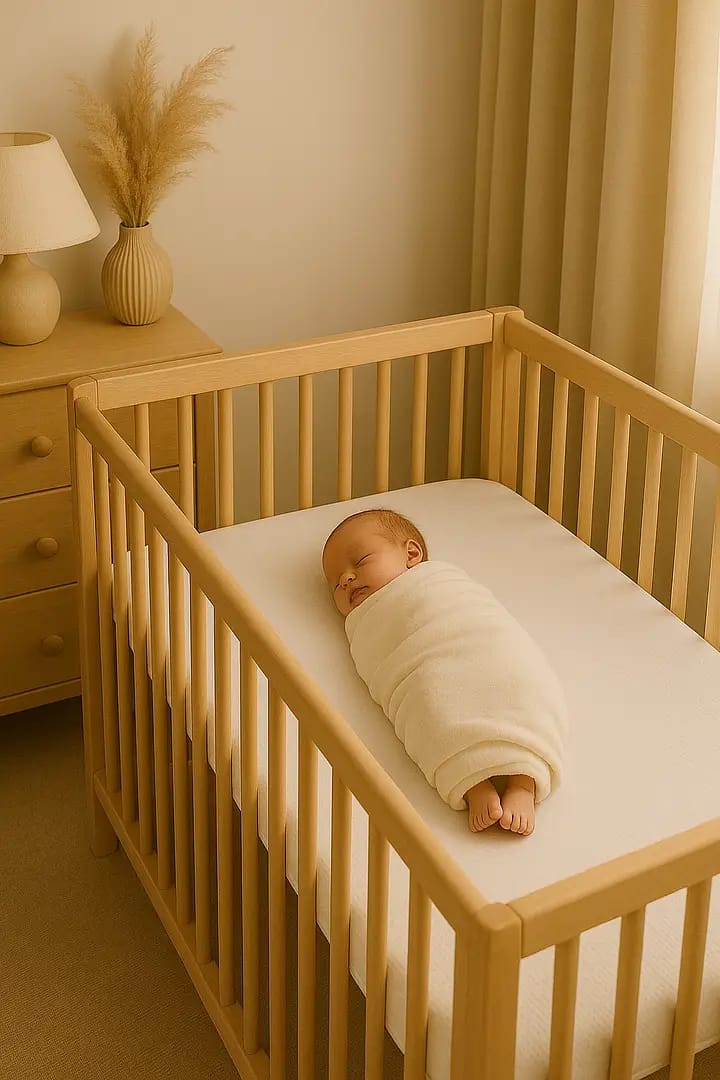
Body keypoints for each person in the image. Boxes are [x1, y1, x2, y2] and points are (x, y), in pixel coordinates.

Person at [322, 508, 566, 837]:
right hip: (426, 669)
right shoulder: (365, 626)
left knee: (523, 687)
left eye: (361, 560)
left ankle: (523, 783)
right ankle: (474, 785)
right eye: (336, 582)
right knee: (432, 709)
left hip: (489, 648)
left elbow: (486, 619)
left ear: (411, 554)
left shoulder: (442, 581)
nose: (346, 579)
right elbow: (388, 670)